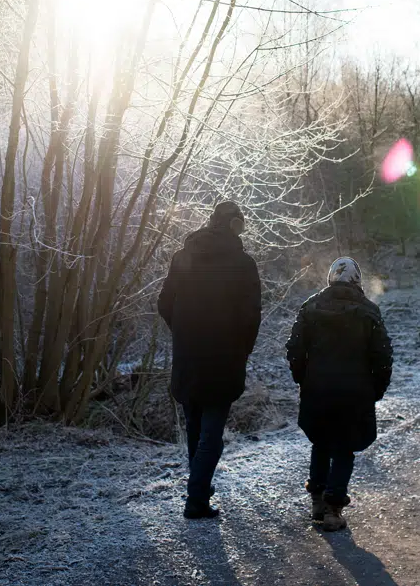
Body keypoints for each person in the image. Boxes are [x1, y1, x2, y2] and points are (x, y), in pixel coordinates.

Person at [157, 201, 262, 519]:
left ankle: (199, 488)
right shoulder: (243, 264)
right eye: (240, 224)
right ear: (233, 224)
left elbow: (164, 302)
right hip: (224, 356)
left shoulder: (183, 256)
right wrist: (242, 348)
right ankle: (196, 498)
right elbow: (251, 315)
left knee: (195, 426)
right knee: (212, 433)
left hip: (188, 354)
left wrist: (183, 331)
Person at [285, 257, 393, 533]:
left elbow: (295, 348)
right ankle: (333, 508)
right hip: (355, 392)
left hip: (317, 388)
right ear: (357, 280)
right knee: (344, 447)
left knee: (320, 442)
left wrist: (303, 380)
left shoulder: (310, 307)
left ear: (331, 278)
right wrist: (375, 390)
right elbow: (382, 356)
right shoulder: (368, 311)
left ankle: (317, 503)